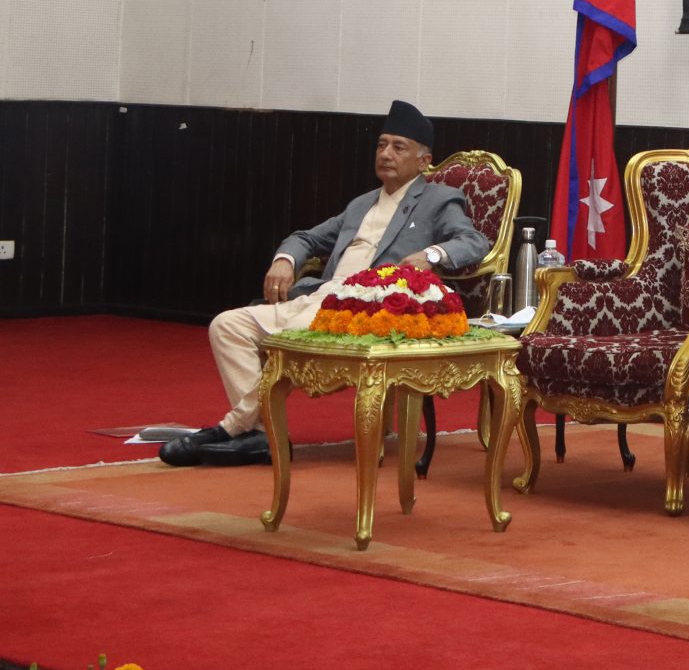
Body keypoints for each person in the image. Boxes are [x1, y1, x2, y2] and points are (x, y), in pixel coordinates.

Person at [157, 101, 487, 467]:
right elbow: (307, 237)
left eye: (398, 147)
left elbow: (473, 241)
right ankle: (261, 434)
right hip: (320, 296)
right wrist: (285, 260)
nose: (386, 154)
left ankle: (233, 429)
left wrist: (432, 255)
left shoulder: (439, 199)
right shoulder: (361, 204)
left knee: (289, 339)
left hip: (365, 308)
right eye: (381, 145)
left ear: (423, 161)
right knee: (227, 325)